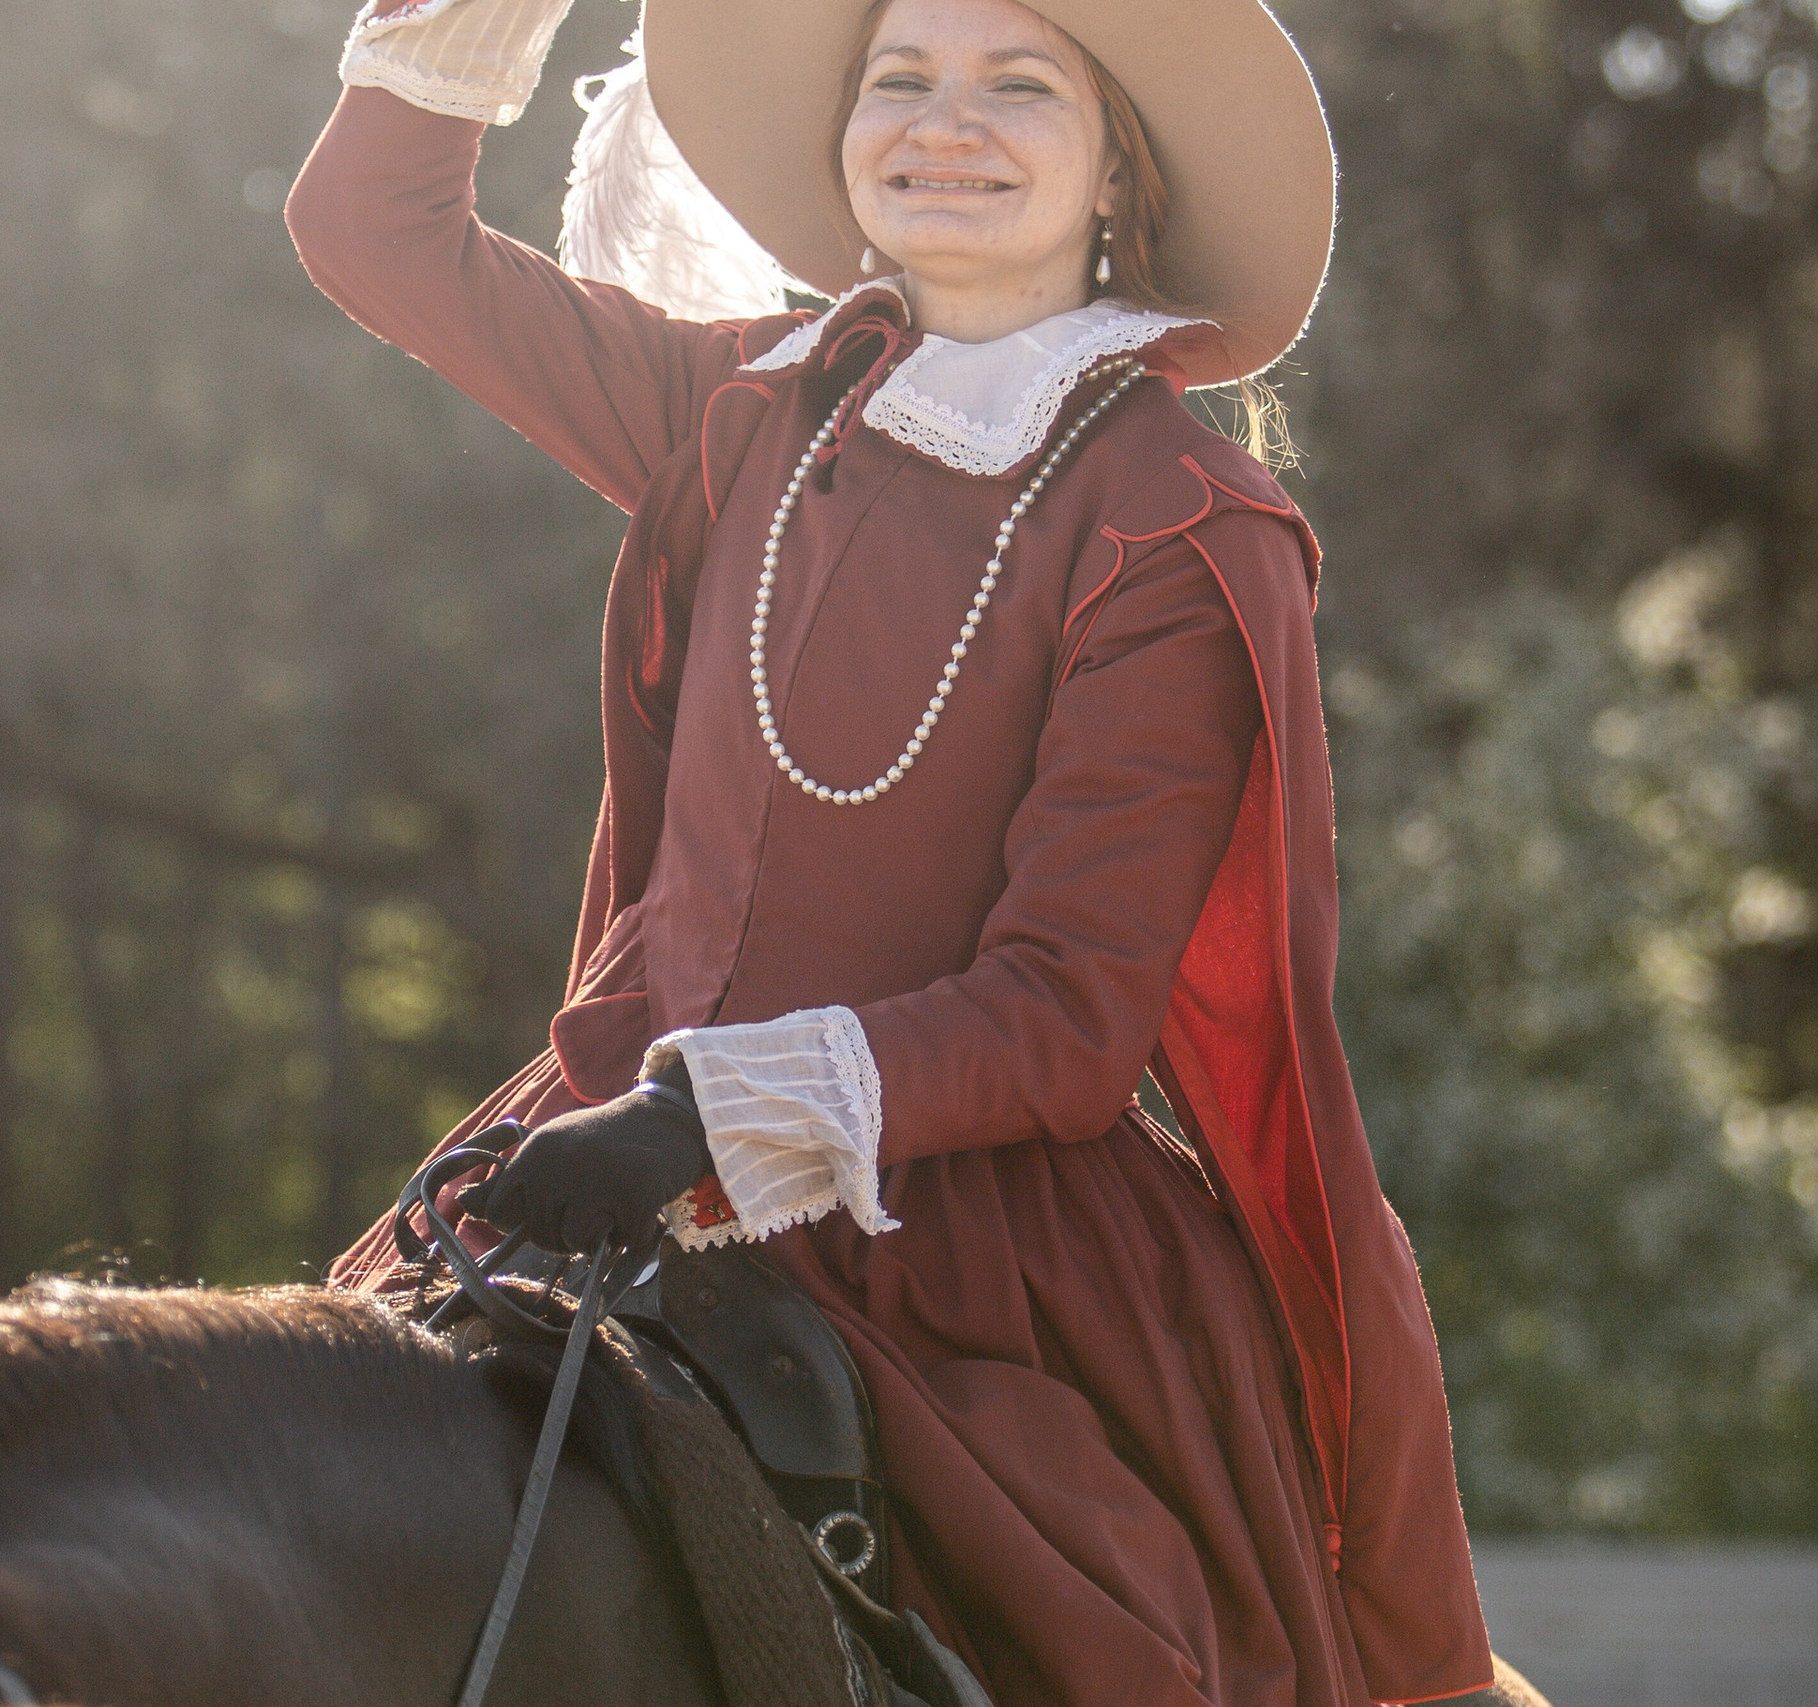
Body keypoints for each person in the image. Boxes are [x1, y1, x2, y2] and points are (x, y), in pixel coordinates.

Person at [284, 0, 1498, 1700]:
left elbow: (1072, 1018)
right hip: (599, 1156)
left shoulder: (1180, 522)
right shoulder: (734, 409)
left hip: (957, 1256)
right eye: (899, 80)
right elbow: (373, 231)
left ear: (1115, 173)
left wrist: (706, 1116)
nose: (947, 123)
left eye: (1020, 86)